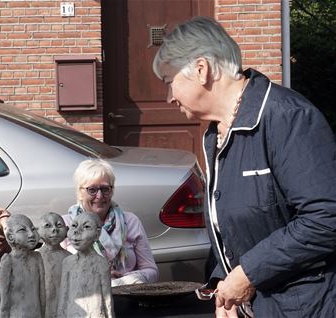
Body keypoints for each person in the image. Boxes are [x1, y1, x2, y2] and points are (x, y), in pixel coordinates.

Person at [152, 16, 336, 317]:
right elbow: (231, 229)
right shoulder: (216, 135)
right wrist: (222, 285)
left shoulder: (287, 118)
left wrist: (248, 273)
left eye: (169, 82)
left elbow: (326, 217)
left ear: (201, 70)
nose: (169, 97)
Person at [61, 159, 159, 287]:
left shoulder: (130, 221)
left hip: (127, 293)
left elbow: (152, 271)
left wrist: (128, 279)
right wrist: (101, 276)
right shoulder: (65, 225)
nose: (100, 196)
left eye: (105, 189)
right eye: (92, 190)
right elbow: (57, 275)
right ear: (80, 192)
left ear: (112, 191)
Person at [57, 211, 114, 318]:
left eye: (87, 227)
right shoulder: (67, 262)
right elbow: (63, 295)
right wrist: (60, 314)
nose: (76, 232)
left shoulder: (101, 264)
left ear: (97, 234)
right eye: (74, 226)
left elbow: (107, 300)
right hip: (71, 313)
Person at [0, 214, 46, 318]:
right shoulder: (8, 260)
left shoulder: (37, 257)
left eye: (33, 229)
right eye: (22, 230)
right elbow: (5, 300)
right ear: (10, 237)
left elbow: (42, 294)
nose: (31, 234)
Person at [37, 212, 71, 318]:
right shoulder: (35, 257)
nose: (54, 230)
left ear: (67, 230)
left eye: (59, 225)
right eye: (48, 226)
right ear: (37, 231)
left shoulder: (70, 258)